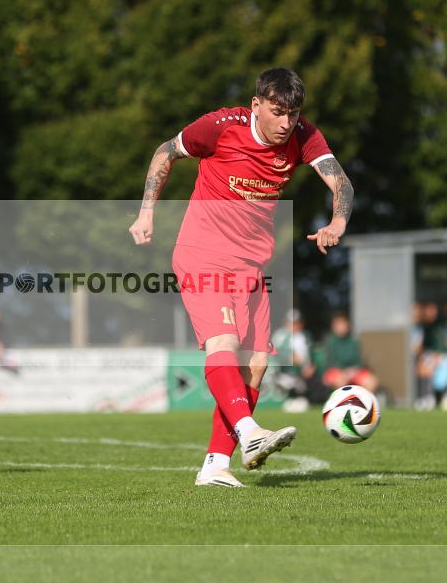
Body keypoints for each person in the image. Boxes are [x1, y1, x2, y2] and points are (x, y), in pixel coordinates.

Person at [129, 67, 353, 487]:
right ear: (256, 105)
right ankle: (250, 433)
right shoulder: (221, 127)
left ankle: (215, 465)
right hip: (203, 253)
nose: (285, 123)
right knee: (224, 344)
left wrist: (337, 222)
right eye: (277, 112)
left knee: (256, 365)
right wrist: (146, 212)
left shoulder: (304, 135)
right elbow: (166, 151)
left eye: (293, 113)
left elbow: (340, 181)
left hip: (252, 266)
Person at [321, 311, 379, 393]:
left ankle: (361, 401)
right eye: (338, 324)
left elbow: (359, 361)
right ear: (334, 326)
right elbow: (330, 363)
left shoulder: (353, 342)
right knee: (341, 381)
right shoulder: (330, 342)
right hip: (335, 372)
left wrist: (353, 371)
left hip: (353, 372)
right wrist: (343, 372)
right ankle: (344, 401)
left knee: (372, 381)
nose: (341, 326)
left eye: (343, 323)